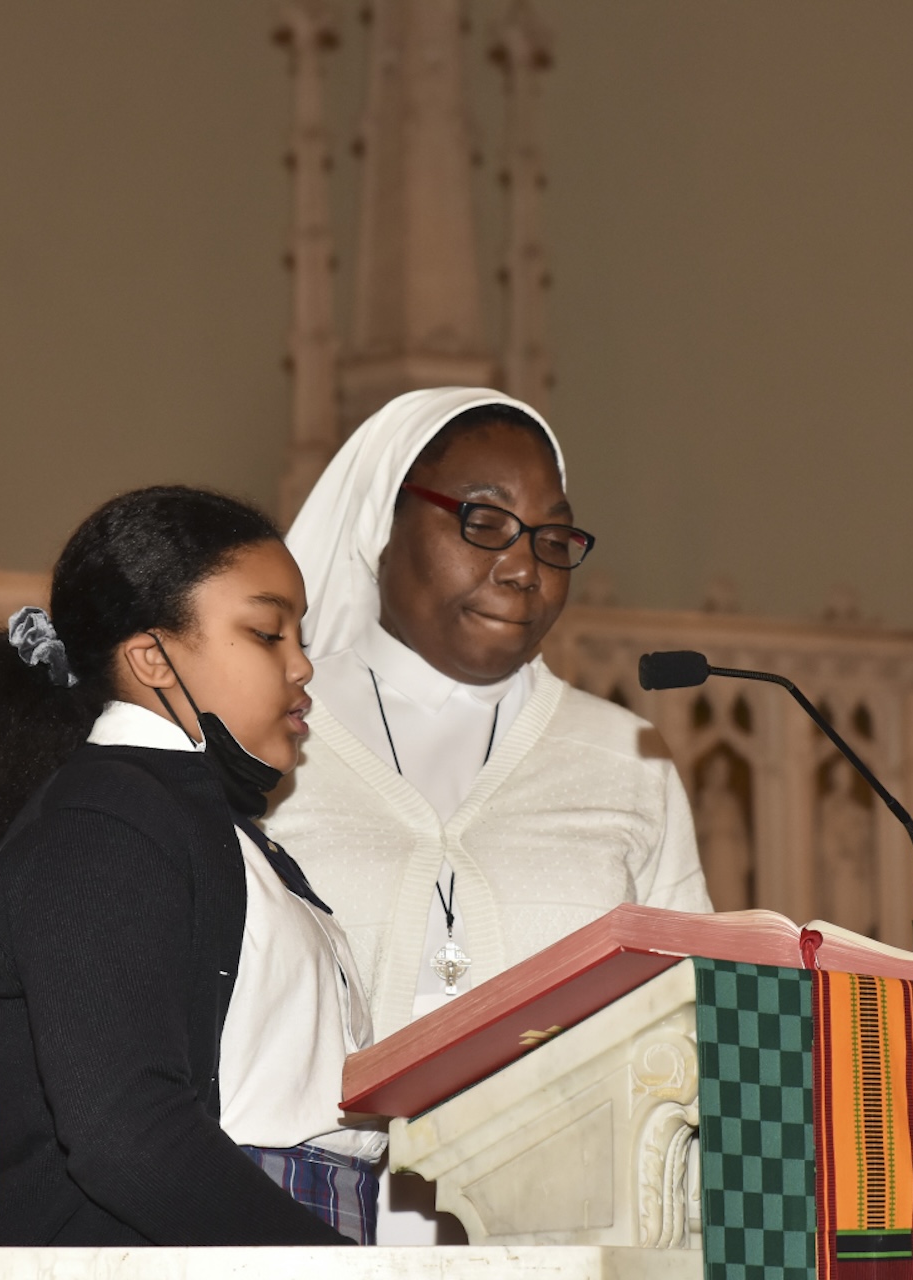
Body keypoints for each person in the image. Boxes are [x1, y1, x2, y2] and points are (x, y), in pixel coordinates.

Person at [0, 486, 384, 1246]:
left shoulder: (210, 826)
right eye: (269, 632)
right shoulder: (102, 824)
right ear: (152, 657)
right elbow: (125, 1133)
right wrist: (331, 1269)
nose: (304, 665)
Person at [269, 388, 710, 1241]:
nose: (524, 567)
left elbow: (688, 1036)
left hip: (574, 1241)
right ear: (379, 526)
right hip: (319, 1236)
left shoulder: (627, 757)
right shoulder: (273, 735)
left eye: (553, 537)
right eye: (483, 521)